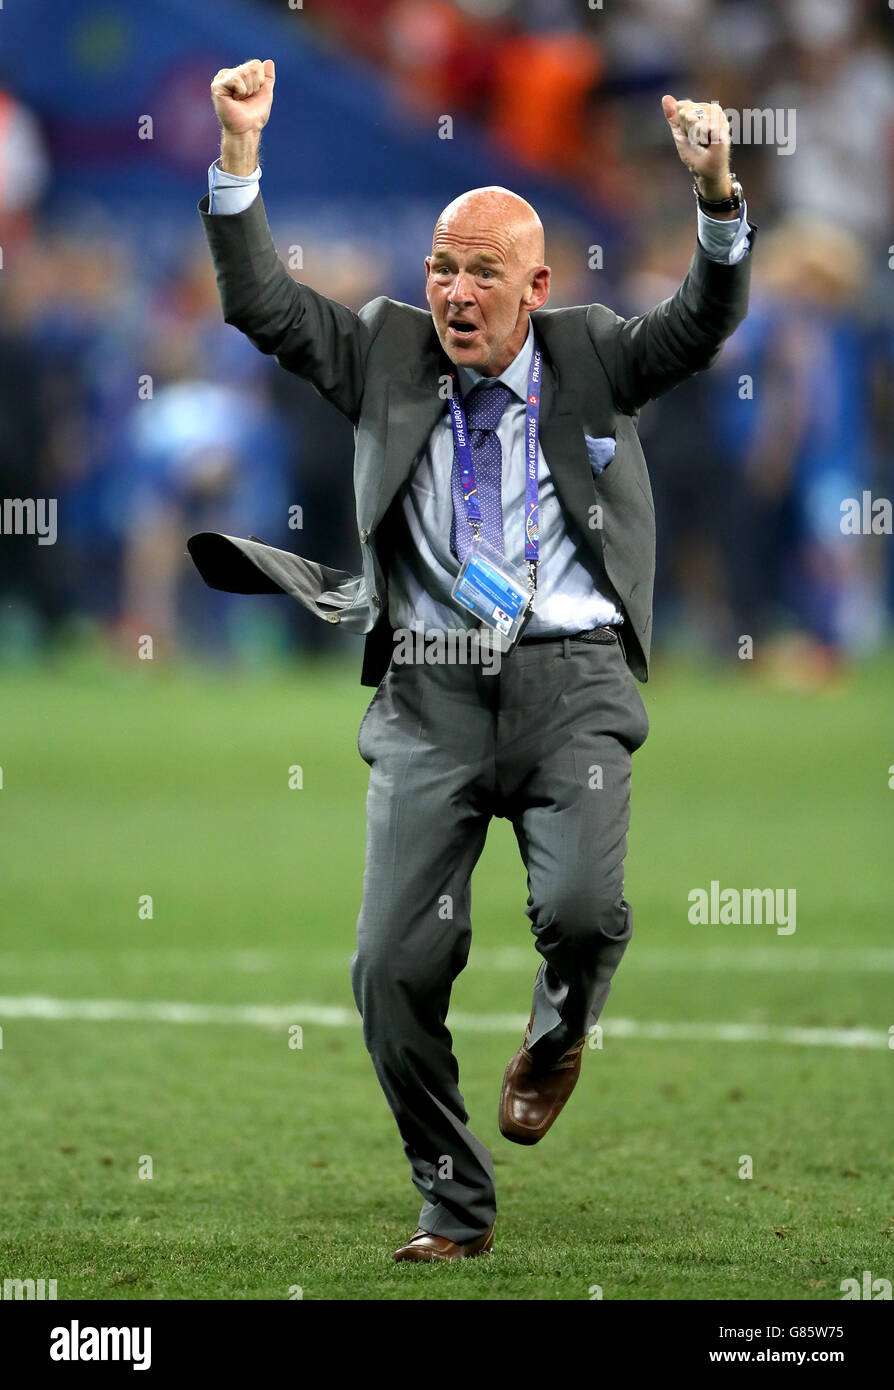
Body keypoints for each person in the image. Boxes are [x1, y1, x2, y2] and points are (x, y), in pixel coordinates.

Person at [188, 59, 754, 1261]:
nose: (453, 289)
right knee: (391, 971)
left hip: (574, 685)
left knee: (586, 912)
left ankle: (559, 1030)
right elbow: (263, 309)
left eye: (482, 270)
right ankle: (453, 1199)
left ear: (535, 286)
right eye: (441, 266)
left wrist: (712, 192)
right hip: (431, 692)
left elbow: (703, 321)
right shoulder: (385, 356)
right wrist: (240, 153)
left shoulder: (597, 353)